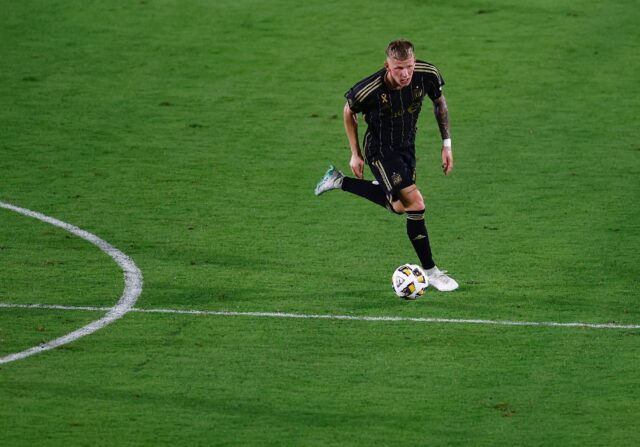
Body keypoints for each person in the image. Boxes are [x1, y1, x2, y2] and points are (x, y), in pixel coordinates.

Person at [314, 39, 459, 292]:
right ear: (387, 66)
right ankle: (431, 271)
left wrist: (446, 144)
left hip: (406, 147)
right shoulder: (368, 89)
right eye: (398, 68)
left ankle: (338, 180)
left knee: (399, 207)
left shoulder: (427, 75)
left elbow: (440, 103)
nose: (405, 74)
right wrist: (355, 154)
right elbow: (349, 112)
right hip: (380, 151)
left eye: (410, 67)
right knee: (416, 203)